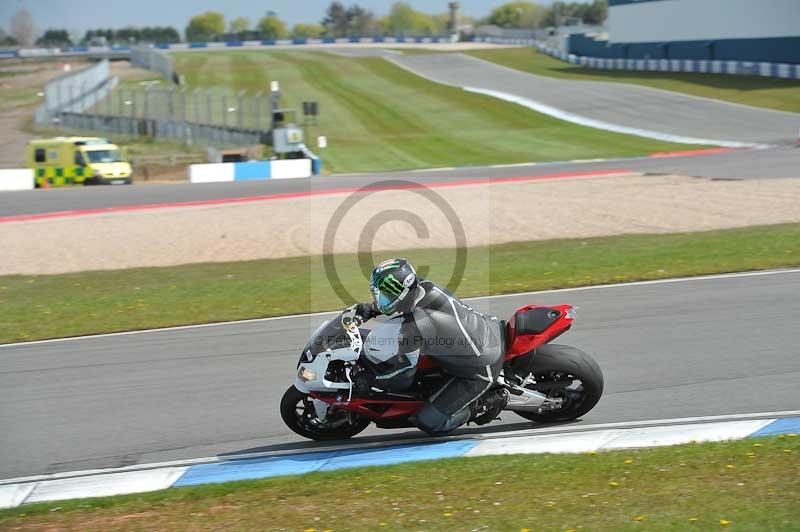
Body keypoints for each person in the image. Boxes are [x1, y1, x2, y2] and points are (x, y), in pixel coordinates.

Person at [355, 258, 508, 435]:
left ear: (403, 289)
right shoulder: (423, 287)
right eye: (381, 293)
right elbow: (400, 302)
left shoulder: (417, 325)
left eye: (386, 293)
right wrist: (372, 309)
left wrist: (369, 381)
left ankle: (487, 403)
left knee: (428, 421)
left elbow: (403, 377)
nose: (381, 298)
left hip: (480, 369)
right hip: (485, 332)